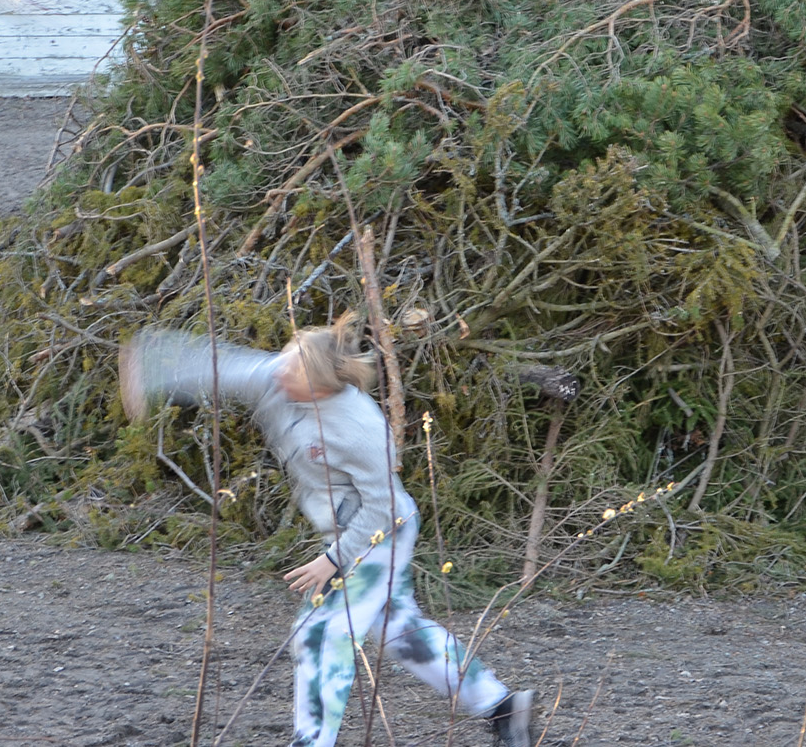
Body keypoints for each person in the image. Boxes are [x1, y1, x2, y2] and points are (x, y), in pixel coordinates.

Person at [120, 317, 545, 747]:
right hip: (349, 532)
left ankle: (312, 741)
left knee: (320, 634)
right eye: (283, 362)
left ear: (322, 384)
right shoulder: (278, 376)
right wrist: (148, 369)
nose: (280, 373)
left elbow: (382, 507)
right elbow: (220, 366)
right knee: (402, 632)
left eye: (294, 371)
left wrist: (333, 559)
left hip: (380, 533)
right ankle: (503, 708)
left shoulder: (358, 425)